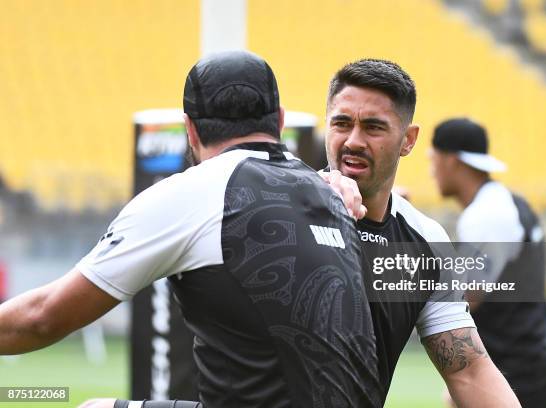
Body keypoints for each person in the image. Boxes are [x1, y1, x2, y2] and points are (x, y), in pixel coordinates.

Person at [0, 51, 383, 408]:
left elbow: (42, 319)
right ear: (280, 121)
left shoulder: (196, 191)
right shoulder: (331, 194)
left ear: (190, 130)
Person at [322, 59, 520, 407]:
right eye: (341, 123)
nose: (353, 141)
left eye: (373, 127)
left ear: (408, 140)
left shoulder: (424, 242)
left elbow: (468, 369)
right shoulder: (281, 208)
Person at [429, 117, 546, 407]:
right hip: (524, 365)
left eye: (434, 160)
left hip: (520, 375)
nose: (431, 172)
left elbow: (466, 296)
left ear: (452, 161)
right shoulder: (503, 203)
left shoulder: (487, 215)